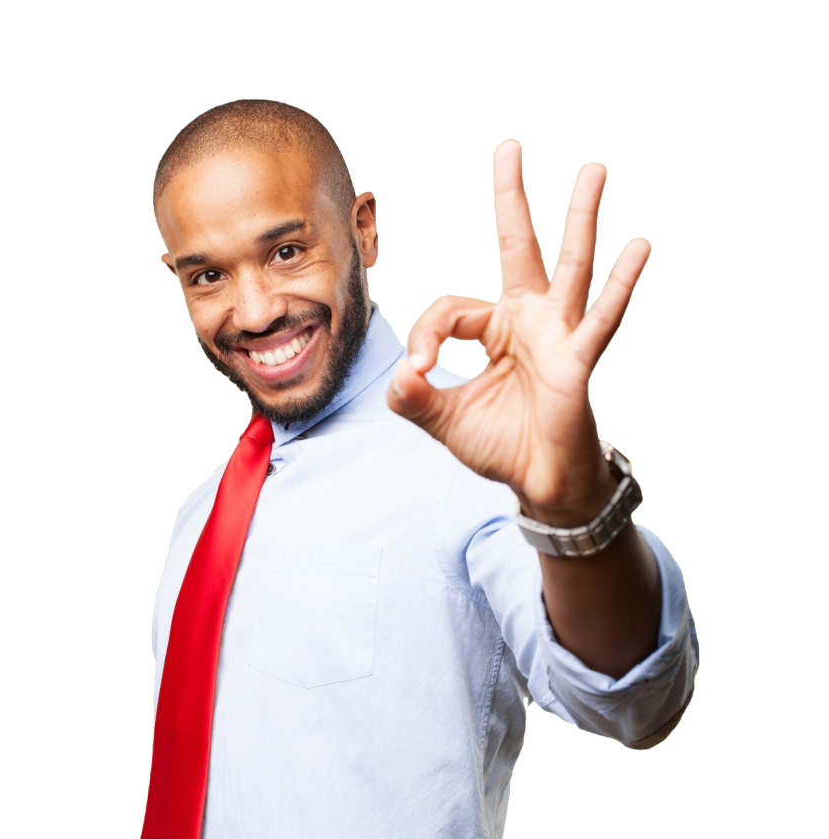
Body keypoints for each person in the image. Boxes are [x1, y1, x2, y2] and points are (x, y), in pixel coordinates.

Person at [146, 99, 699, 838]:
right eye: (208, 274)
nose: (253, 312)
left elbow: (636, 703)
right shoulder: (201, 512)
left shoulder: (473, 459)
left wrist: (571, 503)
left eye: (286, 251)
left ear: (363, 229)